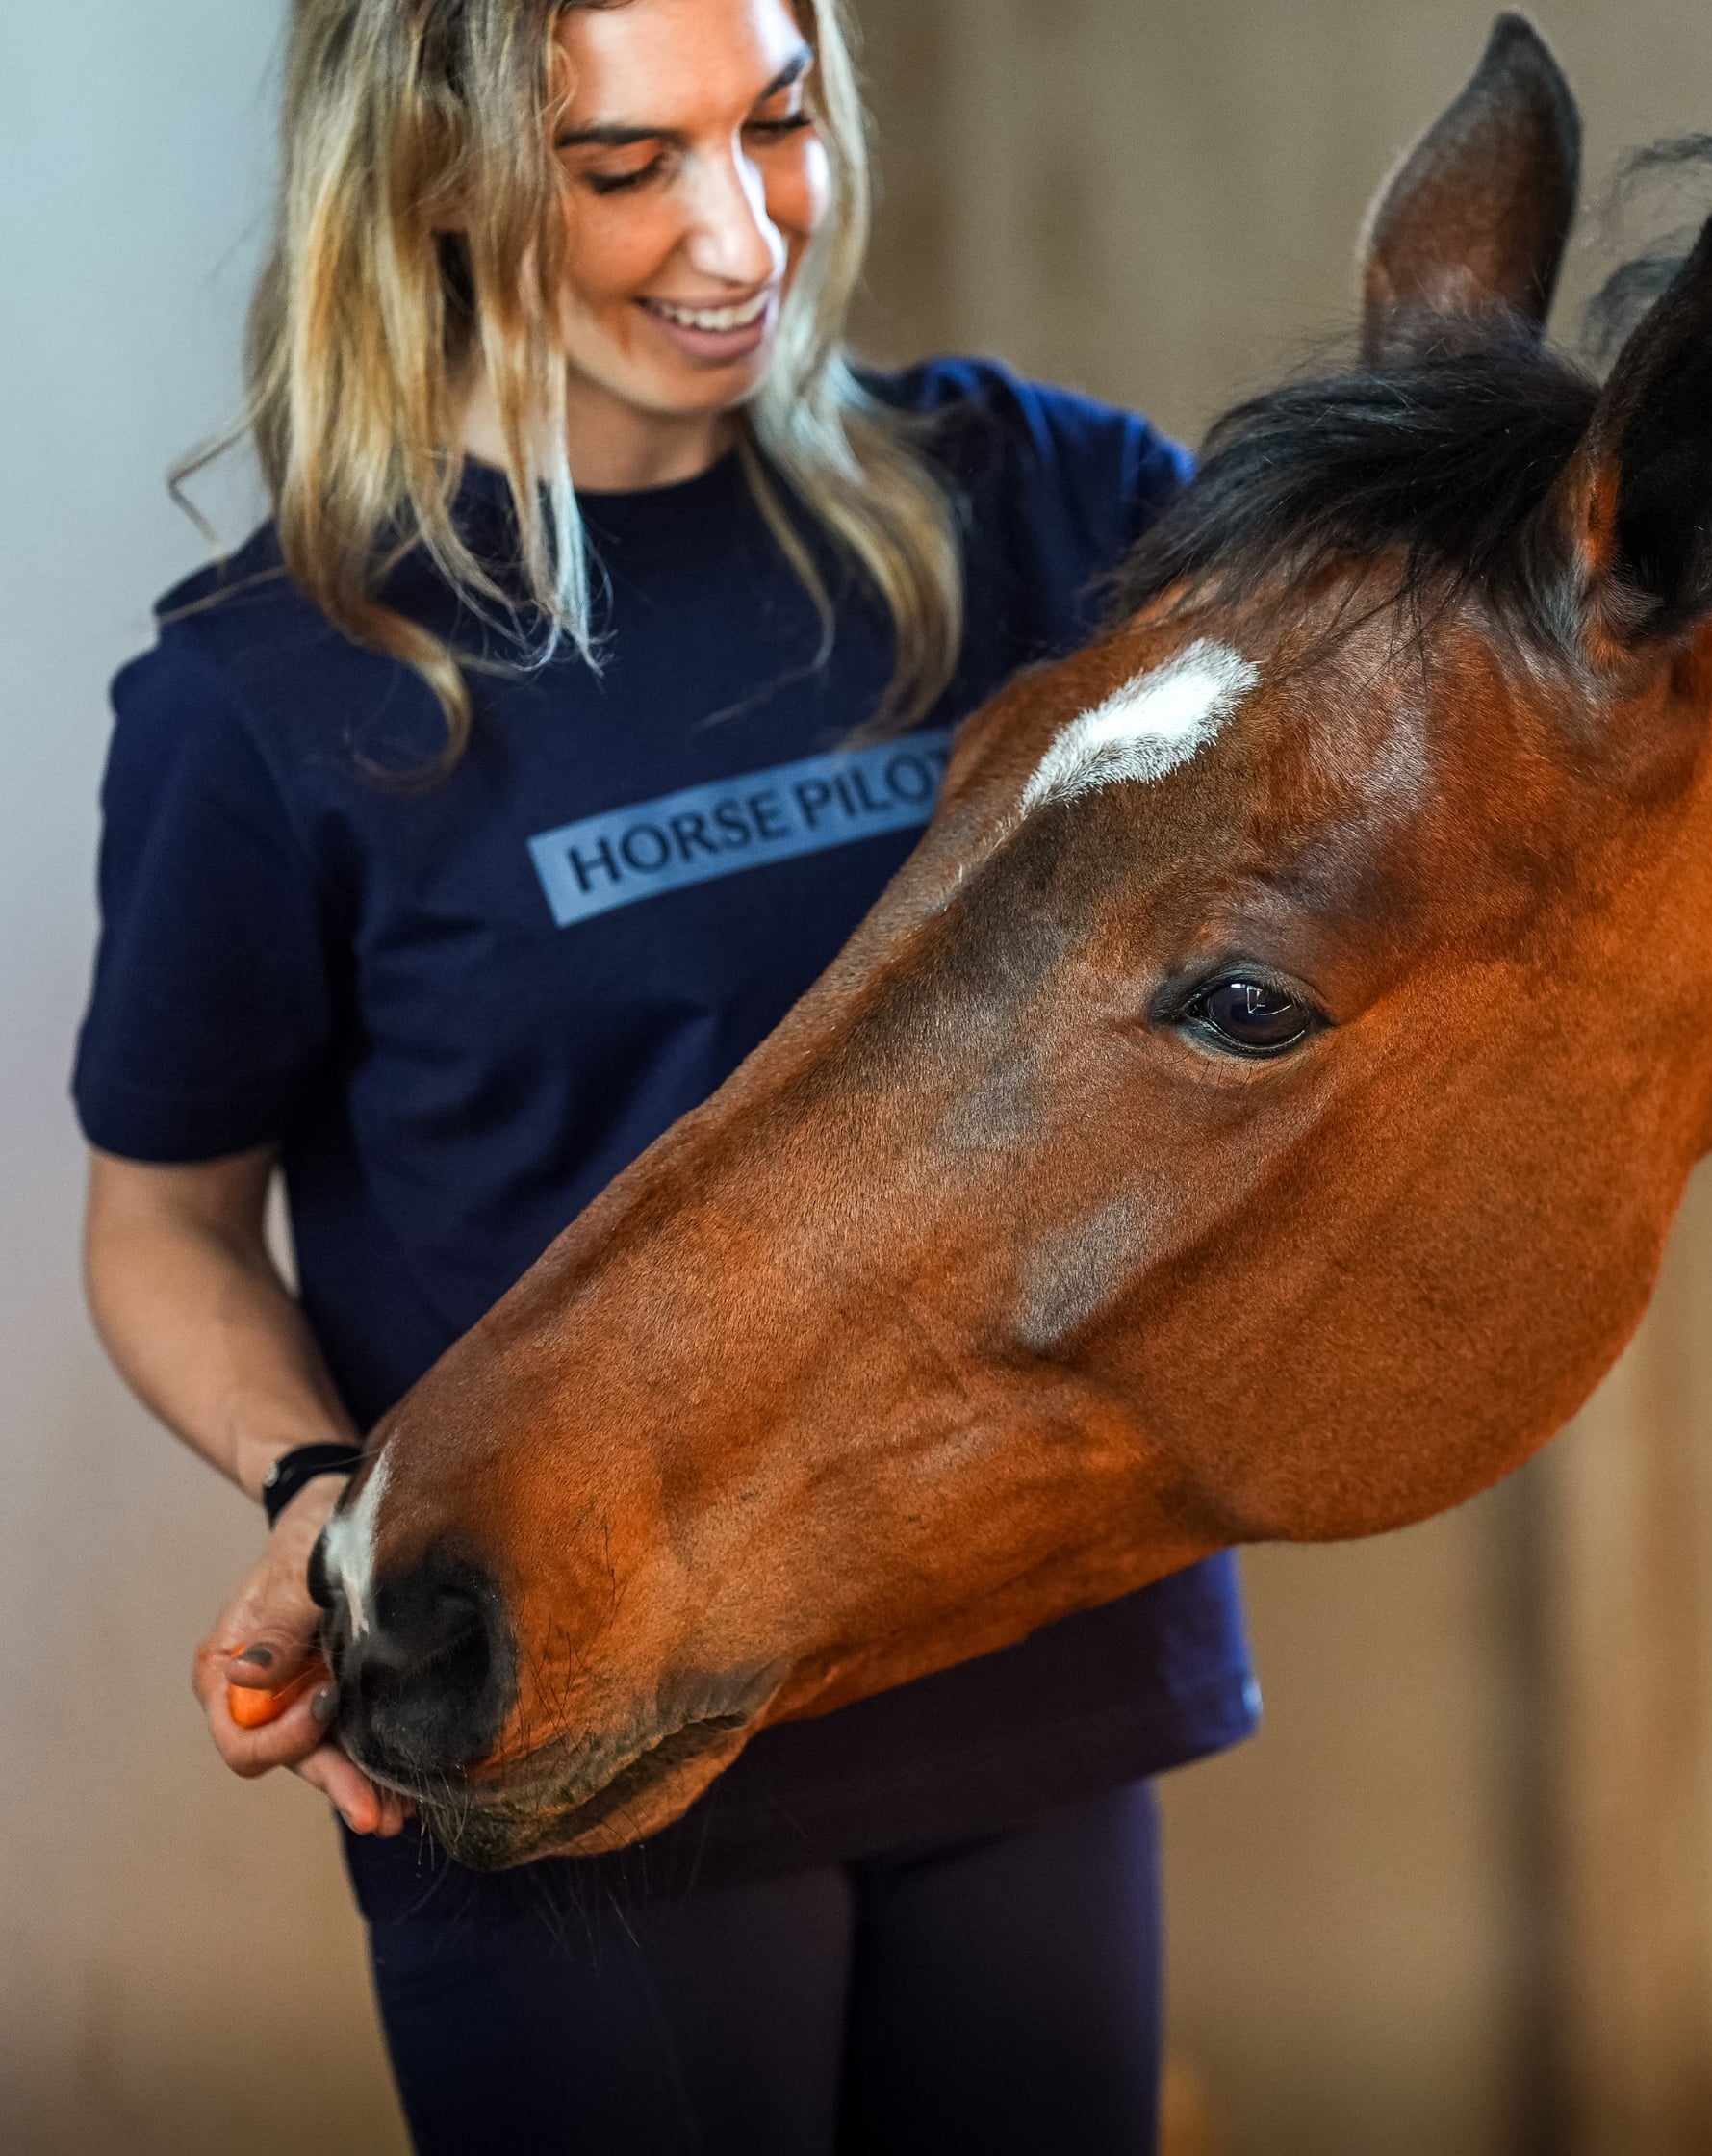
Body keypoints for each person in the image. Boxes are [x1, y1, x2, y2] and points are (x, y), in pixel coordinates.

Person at [75, 2, 1259, 2149]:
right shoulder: (269, 698)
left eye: (780, 123)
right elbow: (160, 1221)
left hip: (1010, 1662)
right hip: (566, 1724)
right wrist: (316, 1495)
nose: (741, 232)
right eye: (626, 168)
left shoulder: (1040, 503)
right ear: (427, 178)